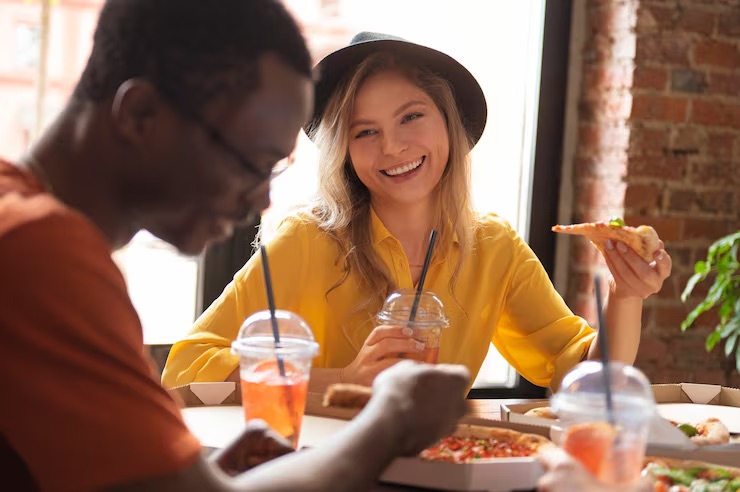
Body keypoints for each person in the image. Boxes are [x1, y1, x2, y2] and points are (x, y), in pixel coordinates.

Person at [0, 4, 473, 491]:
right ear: (141, 115)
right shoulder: (39, 252)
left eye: (273, 171)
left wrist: (205, 472)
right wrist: (390, 420)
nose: (260, 199)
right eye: (251, 162)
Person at [163, 31, 672, 393]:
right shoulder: (305, 241)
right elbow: (186, 367)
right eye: (365, 132)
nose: (393, 147)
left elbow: (589, 378)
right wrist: (342, 380)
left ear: (448, 124)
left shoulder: (494, 248)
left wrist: (627, 296)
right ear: (344, 150)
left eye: (411, 117)